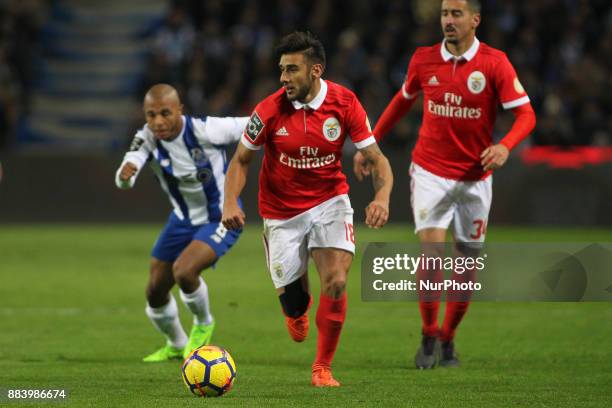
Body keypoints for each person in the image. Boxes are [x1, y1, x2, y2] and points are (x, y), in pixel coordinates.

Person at [354, 0, 536, 369]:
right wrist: (369, 144)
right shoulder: (424, 60)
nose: (448, 21)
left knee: (466, 265)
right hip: (430, 172)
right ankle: (428, 335)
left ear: (475, 19)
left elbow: (526, 115)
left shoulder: (494, 63)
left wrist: (504, 146)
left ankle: (449, 339)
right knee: (432, 255)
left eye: (456, 14)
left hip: (474, 178)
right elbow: (401, 102)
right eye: (444, 14)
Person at [221, 31, 393, 387]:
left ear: (316, 70)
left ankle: (322, 368)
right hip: (281, 212)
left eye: (292, 70)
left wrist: (382, 198)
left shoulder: (345, 104)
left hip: (330, 202)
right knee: (296, 307)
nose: (284, 78)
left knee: (336, 280)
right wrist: (229, 202)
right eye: (281, 70)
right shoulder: (267, 110)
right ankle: (296, 310)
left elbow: (377, 160)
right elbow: (240, 161)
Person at [115, 84, 248, 362]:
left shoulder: (206, 130)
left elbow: (254, 125)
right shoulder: (147, 138)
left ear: (180, 111)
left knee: (184, 271)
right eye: (151, 115)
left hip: (220, 217)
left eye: (165, 113)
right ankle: (176, 343)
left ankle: (203, 323)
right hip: (181, 219)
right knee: (154, 291)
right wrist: (126, 175)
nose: (158, 122)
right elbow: (129, 168)